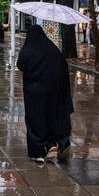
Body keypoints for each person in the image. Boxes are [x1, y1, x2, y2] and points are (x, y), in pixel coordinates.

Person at [17, 25, 74, 162]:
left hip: (34, 93)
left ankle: (38, 152)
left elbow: (20, 65)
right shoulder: (52, 49)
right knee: (52, 116)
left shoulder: (27, 50)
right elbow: (62, 67)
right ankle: (53, 144)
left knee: (35, 119)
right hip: (53, 91)